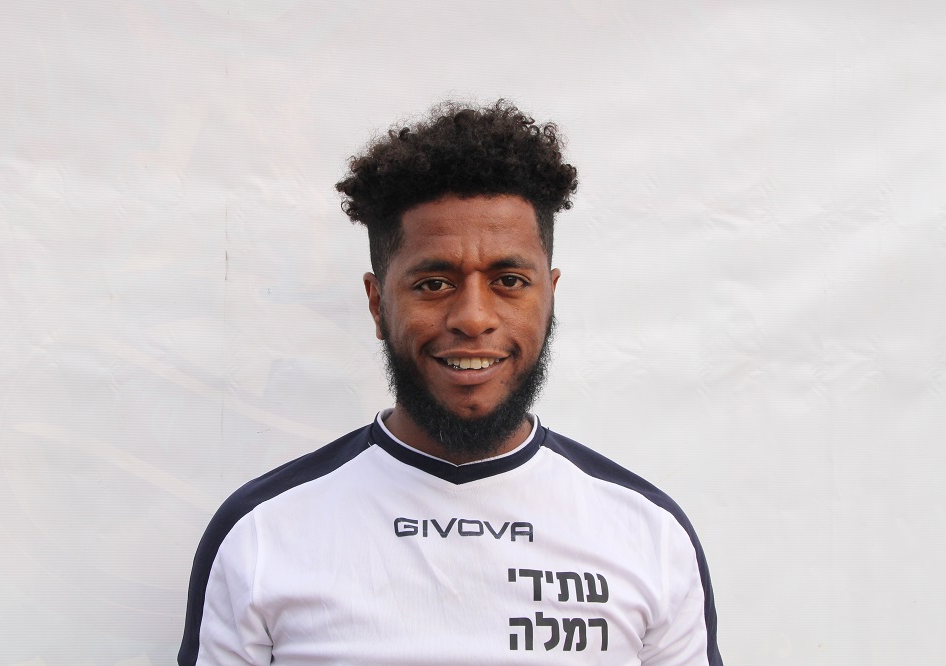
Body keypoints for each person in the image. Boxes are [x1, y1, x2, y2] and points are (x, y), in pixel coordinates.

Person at [179, 100, 722, 665]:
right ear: (378, 303)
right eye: (434, 284)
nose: (473, 318)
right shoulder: (260, 533)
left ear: (550, 296)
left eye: (509, 280)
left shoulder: (650, 534)